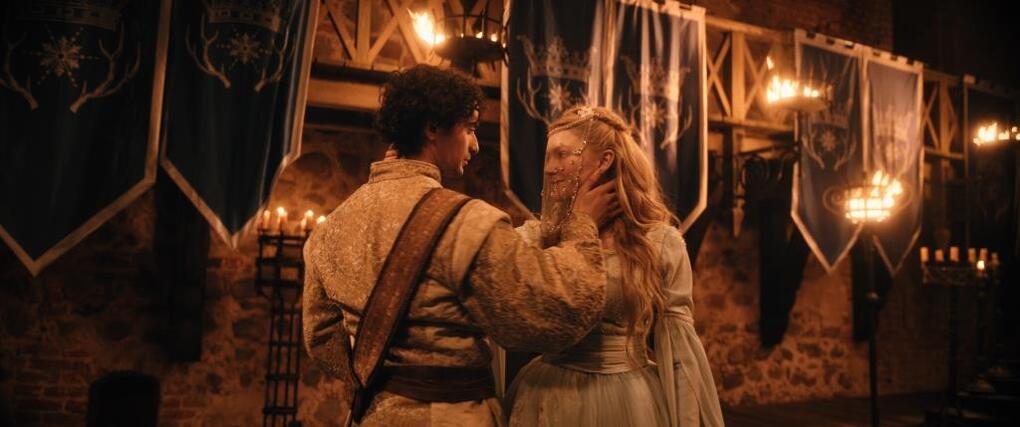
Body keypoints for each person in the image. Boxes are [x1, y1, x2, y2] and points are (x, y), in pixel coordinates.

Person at [302, 65, 618, 427]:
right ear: (433, 128)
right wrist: (582, 225)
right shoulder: (467, 223)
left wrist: (385, 382)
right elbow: (553, 313)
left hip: (371, 415)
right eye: (469, 128)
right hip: (448, 416)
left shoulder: (330, 228)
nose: (476, 144)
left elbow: (321, 338)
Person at [507, 105, 725, 427]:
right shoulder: (537, 237)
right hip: (551, 395)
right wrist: (579, 224)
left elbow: (678, 348)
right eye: (547, 156)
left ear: (604, 161)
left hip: (629, 400)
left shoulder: (658, 242)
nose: (549, 168)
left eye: (561, 154)